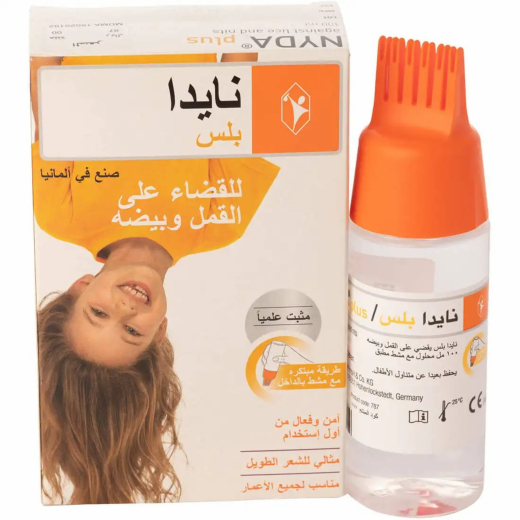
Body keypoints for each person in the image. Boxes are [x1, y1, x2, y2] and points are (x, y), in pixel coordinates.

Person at [32, 52, 279, 504]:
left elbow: (45, 69)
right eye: (131, 332)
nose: (125, 309)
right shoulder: (223, 218)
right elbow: (238, 76)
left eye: (98, 313)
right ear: (160, 331)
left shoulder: (58, 212)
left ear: (80, 286)